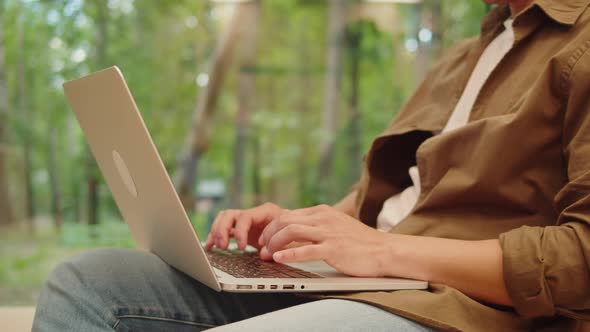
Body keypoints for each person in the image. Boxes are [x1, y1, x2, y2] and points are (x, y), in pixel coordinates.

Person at [33, 0, 590, 331]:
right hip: (375, 280)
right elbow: (405, 195)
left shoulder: (579, 45)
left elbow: (580, 258)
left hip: (460, 306)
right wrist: (302, 226)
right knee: (87, 283)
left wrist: (380, 252)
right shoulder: (467, 55)